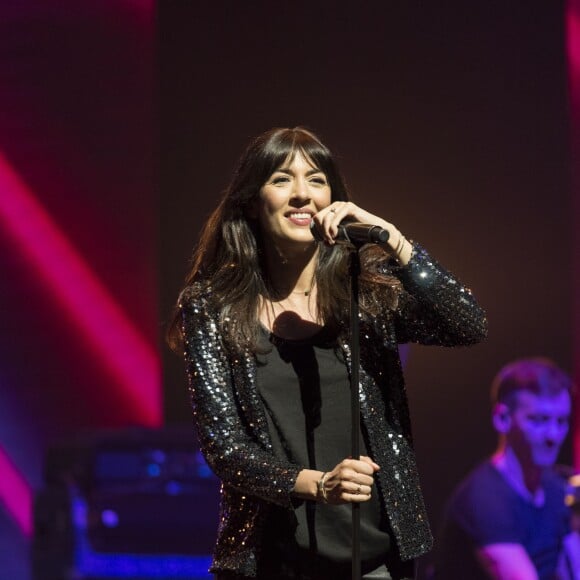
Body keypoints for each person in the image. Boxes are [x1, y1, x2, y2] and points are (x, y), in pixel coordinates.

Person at [168, 126, 487, 580]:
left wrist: (392, 239)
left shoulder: (367, 294)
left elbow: (467, 324)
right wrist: (318, 485)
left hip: (375, 557)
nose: (302, 195)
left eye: (316, 179)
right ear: (253, 202)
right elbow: (224, 446)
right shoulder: (212, 306)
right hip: (270, 559)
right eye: (281, 179)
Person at [433, 357, 580, 579]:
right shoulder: (486, 500)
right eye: (539, 420)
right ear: (502, 418)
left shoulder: (557, 486)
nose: (553, 435)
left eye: (561, 421)